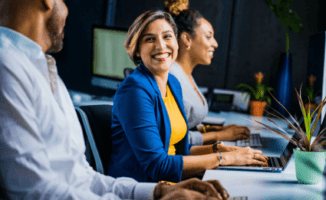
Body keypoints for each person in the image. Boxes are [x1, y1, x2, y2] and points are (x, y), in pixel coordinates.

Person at [0, 0, 230, 199]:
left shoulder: (44, 70)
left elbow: (82, 178)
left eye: (167, 36)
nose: (67, 9)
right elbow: (36, 192)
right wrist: (219, 156)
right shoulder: (7, 66)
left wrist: (157, 193)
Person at [108, 9, 268, 184]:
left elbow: (180, 150)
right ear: (137, 50)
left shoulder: (173, 84)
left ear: (177, 43)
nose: (161, 46)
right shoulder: (134, 90)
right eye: (149, 39)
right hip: (142, 187)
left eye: (167, 36)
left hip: (172, 184)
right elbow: (157, 166)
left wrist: (220, 149)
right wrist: (223, 158)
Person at [165, 0, 251, 146]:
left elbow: (185, 124)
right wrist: (218, 135)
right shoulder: (171, 78)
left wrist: (209, 129)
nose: (215, 43)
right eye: (208, 36)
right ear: (186, 39)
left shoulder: (185, 74)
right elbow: (172, 140)